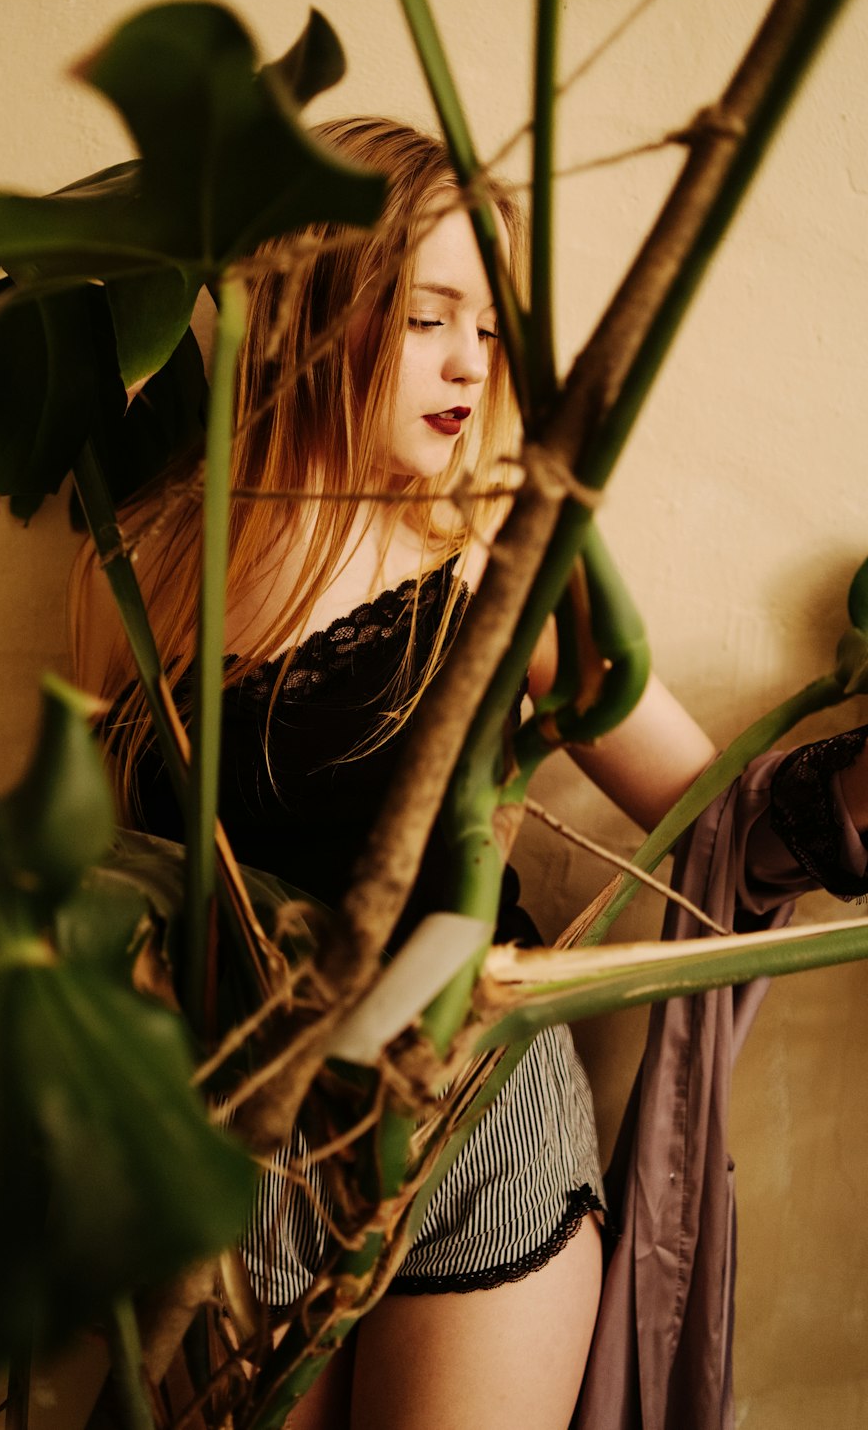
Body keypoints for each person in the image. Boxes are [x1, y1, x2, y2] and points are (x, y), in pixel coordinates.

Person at [71, 117, 868, 1430]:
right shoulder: (144, 569)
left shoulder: (504, 580)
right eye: (427, 316)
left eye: (489, 328)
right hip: (240, 1156)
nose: (470, 363)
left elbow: (714, 819)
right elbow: (124, 884)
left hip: (485, 1132)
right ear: (315, 311)